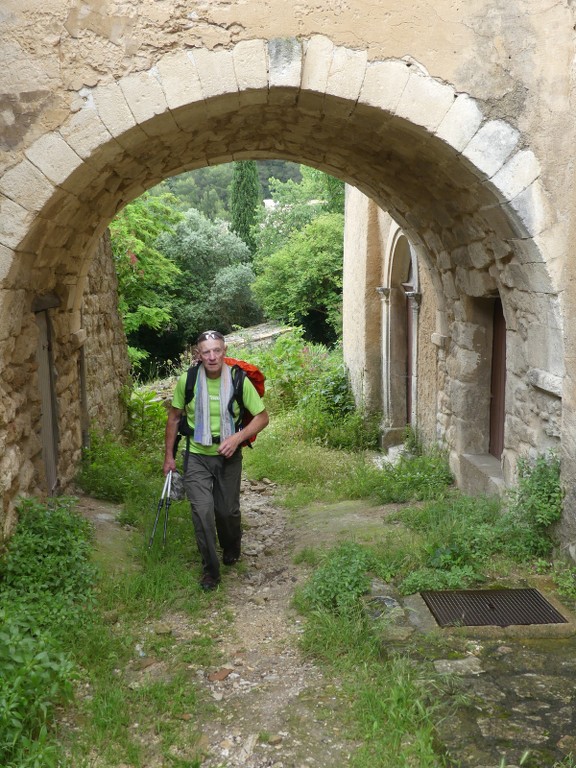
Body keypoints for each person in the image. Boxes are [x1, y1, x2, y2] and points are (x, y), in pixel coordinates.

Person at [163, 330, 269, 591]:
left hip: (228, 457)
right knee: (202, 512)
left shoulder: (237, 379)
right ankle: (210, 569)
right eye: (206, 352)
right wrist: (168, 457)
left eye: (217, 350)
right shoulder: (187, 381)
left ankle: (232, 544)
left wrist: (237, 438)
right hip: (196, 455)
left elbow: (262, 417)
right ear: (198, 355)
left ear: (224, 351)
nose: (212, 356)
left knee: (227, 511)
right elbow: (174, 418)